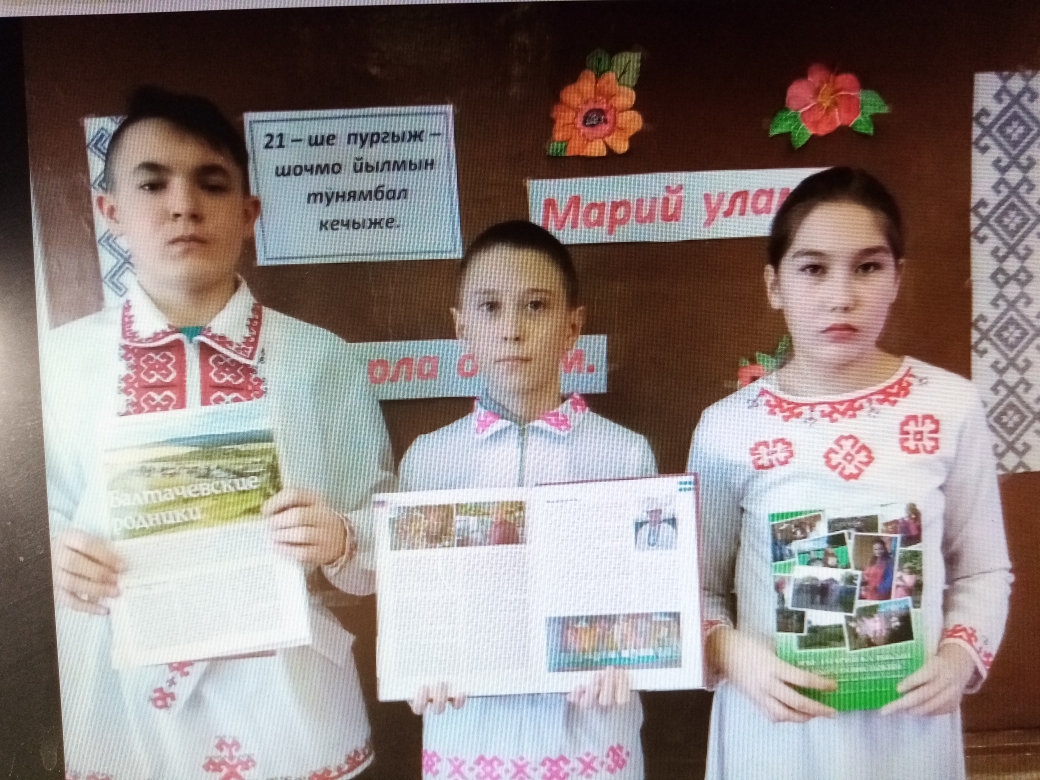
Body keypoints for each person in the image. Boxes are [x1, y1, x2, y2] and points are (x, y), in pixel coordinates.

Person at [43, 87, 394, 780]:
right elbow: (25, 528)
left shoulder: (319, 359)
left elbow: (386, 529)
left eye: (211, 183)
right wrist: (47, 557)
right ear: (111, 211)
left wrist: (341, 537)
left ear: (249, 212)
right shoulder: (54, 365)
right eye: (153, 184)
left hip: (291, 709)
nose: (183, 205)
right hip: (123, 712)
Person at [688, 167, 1013, 780]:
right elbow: (696, 589)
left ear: (897, 278)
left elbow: (983, 568)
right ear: (774, 284)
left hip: (906, 732)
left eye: (867, 267)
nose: (842, 296)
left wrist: (959, 658)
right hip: (774, 733)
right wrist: (734, 657)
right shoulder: (727, 427)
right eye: (813, 268)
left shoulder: (949, 405)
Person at [400, 221, 656, 778]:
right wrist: (419, 658)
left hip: (589, 738)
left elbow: (645, 596)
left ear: (572, 326)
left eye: (535, 307)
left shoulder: (624, 454)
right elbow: (419, 606)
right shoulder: (428, 460)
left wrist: (626, 651)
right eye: (489, 308)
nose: (512, 330)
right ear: (461, 327)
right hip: (467, 738)